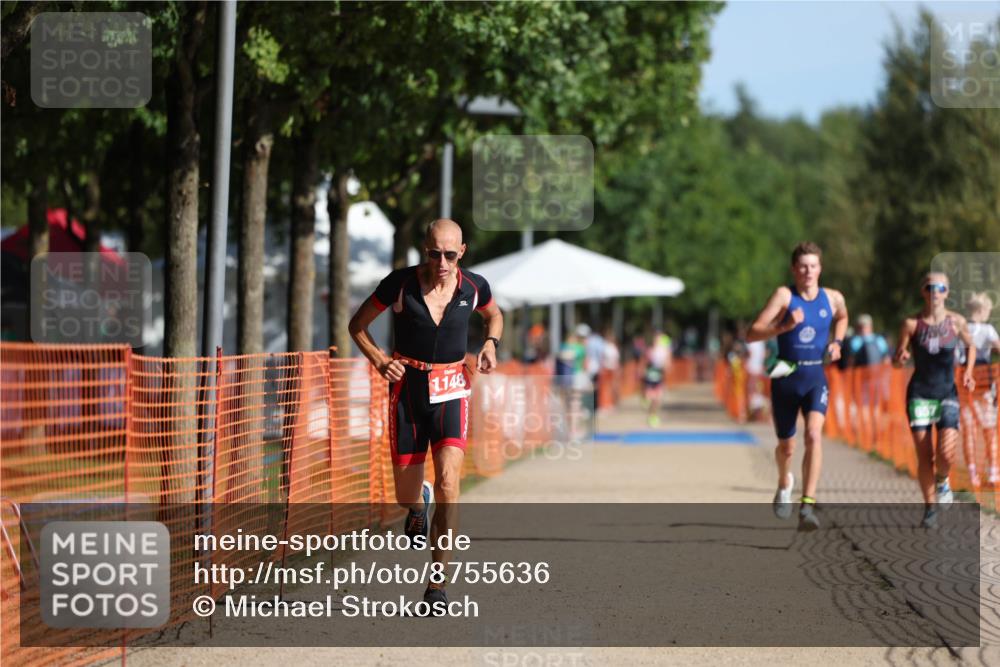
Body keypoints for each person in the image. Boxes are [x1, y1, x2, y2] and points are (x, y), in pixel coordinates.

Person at [348, 218, 503, 611]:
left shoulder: (474, 286)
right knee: (406, 494)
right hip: (408, 392)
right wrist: (381, 362)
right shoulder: (398, 284)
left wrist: (490, 343)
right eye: (435, 254)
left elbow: (494, 315)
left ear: (462, 253)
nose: (443, 263)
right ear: (424, 248)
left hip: (452, 390)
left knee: (451, 481)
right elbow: (358, 325)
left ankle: (437, 585)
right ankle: (419, 505)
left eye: (451, 255)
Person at [747, 241, 848, 531]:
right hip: (785, 375)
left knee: (814, 435)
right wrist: (783, 326)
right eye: (802, 266)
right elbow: (751, 333)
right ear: (794, 269)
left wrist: (837, 342)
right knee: (787, 447)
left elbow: (843, 317)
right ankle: (783, 482)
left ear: (820, 268)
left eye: (813, 266)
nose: (808, 271)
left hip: (815, 375)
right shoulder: (784, 296)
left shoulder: (832, 298)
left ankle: (808, 505)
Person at [894, 272, 976, 528]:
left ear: (947, 292)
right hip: (919, 394)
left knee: (946, 453)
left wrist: (969, 373)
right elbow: (898, 358)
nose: (935, 292)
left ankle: (943, 479)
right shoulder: (911, 324)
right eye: (930, 287)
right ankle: (930, 509)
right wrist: (900, 357)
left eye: (940, 287)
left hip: (946, 392)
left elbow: (971, 346)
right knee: (925, 455)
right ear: (923, 292)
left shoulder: (956, 322)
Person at [957, 292, 1000, 488]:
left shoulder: (961, 329)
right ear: (982, 311)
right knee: (989, 429)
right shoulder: (988, 330)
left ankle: (973, 473)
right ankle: (993, 473)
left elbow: (957, 357)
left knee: (969, 430)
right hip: (984, 384)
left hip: (965, 382)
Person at [643, 332, 672, 427]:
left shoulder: (664, 351)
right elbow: (644, 363)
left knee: (657, 400)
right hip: (649, 379)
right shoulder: (650, 351)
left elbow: (667, 367)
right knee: (650, 399)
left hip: (659, 379)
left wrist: (667, 359)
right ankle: (651, 414)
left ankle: (653, 416)